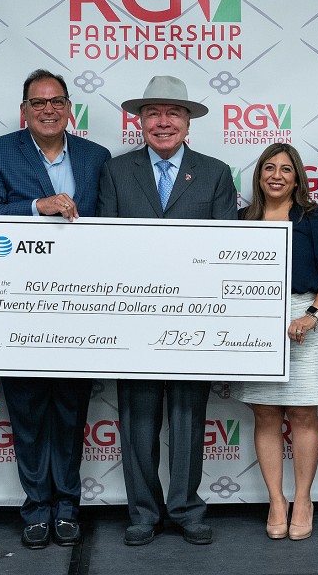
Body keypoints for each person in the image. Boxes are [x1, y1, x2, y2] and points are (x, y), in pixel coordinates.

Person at [97, 75, 238, 546]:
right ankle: (142, 512)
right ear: (139, 120)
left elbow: (227, 251)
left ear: (187, 121)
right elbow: (105, 246)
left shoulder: (216, 173)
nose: (162, 121)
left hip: (193, 323)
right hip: (132, 319)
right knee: (137, 421)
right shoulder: (116, 172)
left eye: (172, 113)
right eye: (153, 112)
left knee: (187, 418)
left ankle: (186, 508)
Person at [0, 69, 111, 549]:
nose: (48, 109)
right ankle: (35, 507)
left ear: (70, 107)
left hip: (80, 310)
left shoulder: (96, 157)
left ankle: (68, 506)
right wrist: (37, 205)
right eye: (38, 102)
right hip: (18, 310)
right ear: (24, 110)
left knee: (72, 413)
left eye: (57, 101)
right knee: (28, 414)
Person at [229, 143, 318, 541]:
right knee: (265, 415)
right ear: (259, 176)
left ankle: (304, 499)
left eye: (286, 170)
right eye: (268, 169)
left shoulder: (313, 217)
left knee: (304, 416)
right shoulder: (240, 219)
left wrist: (312, 315)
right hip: (253, 320)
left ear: (298, 178)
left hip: (304, 317)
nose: (276, 175)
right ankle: (277, 501)